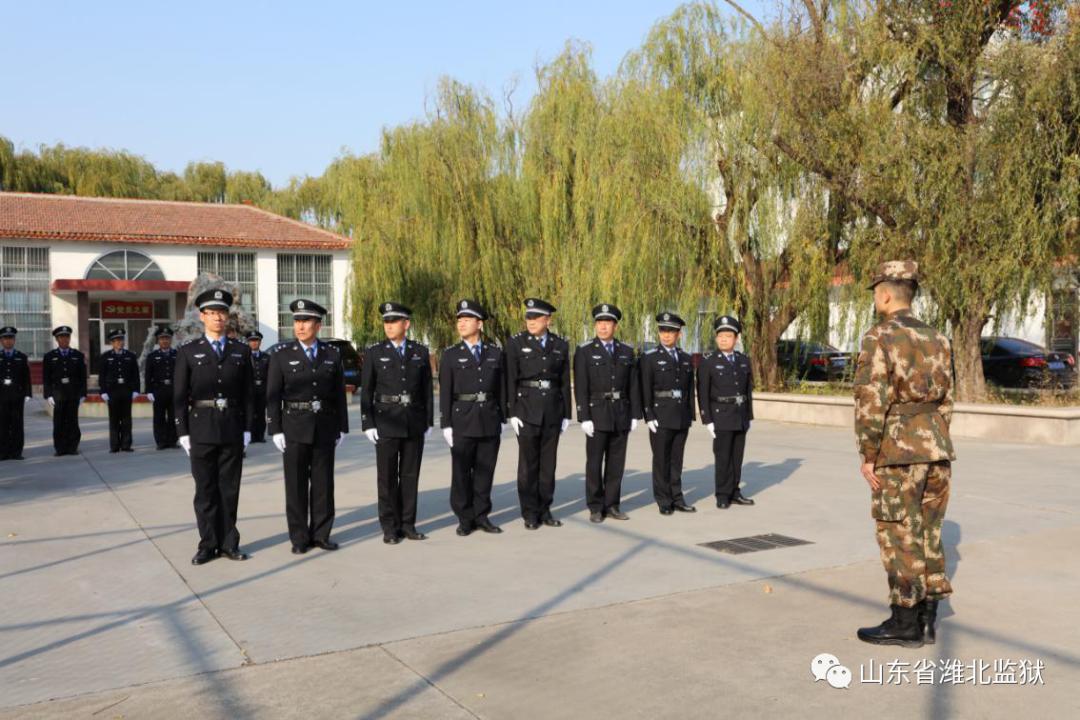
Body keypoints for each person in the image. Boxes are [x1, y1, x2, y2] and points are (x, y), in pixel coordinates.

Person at [854, 261, 955, 648]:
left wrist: (868, 453)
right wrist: (935, 437)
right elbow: (948, 402)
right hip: (937, 448)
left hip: (897, 451)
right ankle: (929, 620)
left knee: (899, 533)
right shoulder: (939, 338)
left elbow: (870, 400)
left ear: (884, 293)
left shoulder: (879, 336)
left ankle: (904, 622)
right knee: (929, 531)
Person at [174, 288, 254, 565]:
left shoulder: (241, 351)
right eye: (212, 313)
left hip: (231, 427)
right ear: (202, 316)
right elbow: (179, 397)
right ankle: (208, 544)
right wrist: (182, 432)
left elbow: (248, 395)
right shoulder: (188, 352)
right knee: (206, 490)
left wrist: (248, 430)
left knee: (229, 489)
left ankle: (230, 542)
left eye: (222, 313)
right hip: (201, 429)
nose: (218, 318)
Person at [267, 299, 349, 554]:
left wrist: (342, 427)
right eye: (297, 321)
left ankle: (322, 534)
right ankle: (300, 538)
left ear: (318, 325)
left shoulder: (331, 354)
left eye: (306, 321)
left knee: (324, 484)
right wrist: (275, 429)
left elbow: (338, 394)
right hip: (294, 426)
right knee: (296, 485)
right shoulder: (281, 355)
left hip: (324, 426)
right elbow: (273, 395)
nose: (300, 327)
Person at [360, 302, 433, 544]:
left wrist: (429, 421)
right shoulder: (374, 352)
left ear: (406, 324)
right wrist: (368, 423)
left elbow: (426, 390)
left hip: (413, 420)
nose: (389, 326)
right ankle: (390, 527)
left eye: (394, 322)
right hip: (385, 420)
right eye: (386, 322)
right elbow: (366, 391)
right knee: (387, 477)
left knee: (410, 475)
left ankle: (408, 524)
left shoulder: (419, 352)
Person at [439, 299, 506, 537]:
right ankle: (464, 518)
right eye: (459, 320)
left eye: (467, 320)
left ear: (480, 324)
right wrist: (445, 423)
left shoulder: (495, 353)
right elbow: (445, 391)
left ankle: (482, 515)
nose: (461, 324)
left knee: (485, 471)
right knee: (461, 473)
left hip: (489, 418)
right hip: (462, 420)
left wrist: (504, 417)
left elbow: (502, 388)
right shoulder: (450, 355)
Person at [504, 298, 572, 530]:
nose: (530, 321)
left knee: (548, 465)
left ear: (548, 320)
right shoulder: (515, 343)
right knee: (528, 465)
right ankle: (530, 512)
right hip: (526, 410)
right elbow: (511, 379)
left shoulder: (560, 345)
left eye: (536, 317)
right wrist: (512, 411)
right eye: (528, 317)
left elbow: (564, 381)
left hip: (552, 409)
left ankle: (545, 509)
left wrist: (566, 414)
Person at [573, 303, 642, 523]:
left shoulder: (626, 351)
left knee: (616, 463)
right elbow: (581, 386)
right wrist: (583, 416)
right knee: (594, 463)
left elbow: (633, 385)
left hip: (620, 413)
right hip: (597, 413)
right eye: (599, 323)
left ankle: (612, 504)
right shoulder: (584, 351)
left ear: (615, 325)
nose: (603, 327)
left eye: (607, 323)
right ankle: (595, 506)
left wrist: (634, 414)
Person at [640, 312, 696, 515]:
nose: (666, 335)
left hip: (681, 415)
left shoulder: (686, 358)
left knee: (676, 459)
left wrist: (691, 414)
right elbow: (645, 388)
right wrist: (649, 415)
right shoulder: (649, 358)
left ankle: (677, 497)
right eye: (663, 330)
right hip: (660, 415)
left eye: (670, 331)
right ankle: (663, 500)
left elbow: (690, 389)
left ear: (678, 334)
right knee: (661, 459)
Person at [697, 315, 755, 509]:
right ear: (716, 338)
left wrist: (749, 415)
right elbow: (702, 392)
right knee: (723, 458)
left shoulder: (743, 360)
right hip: (720, 415)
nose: (724, 339)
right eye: (720, 335)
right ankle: (722, 494)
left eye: (728, 336)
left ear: (736, 338)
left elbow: (748, 390)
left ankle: (734, 491)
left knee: (737, 457)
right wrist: (707, 419)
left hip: (740, 415)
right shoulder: (708, 361)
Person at [42, 326, 87, 456]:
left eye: (67, 336)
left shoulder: (77, 355)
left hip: (73, 394)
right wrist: (48, 394)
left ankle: (73, 447)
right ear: (57, 339)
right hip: (58, 395)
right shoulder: (50, 356)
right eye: (61, 337)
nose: (64, 339)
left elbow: (82, 377)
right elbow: (46, 378)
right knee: (59, 422)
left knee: (73, 422)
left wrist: (83, 393)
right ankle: (60, 448)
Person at [100, 329, 139, 453]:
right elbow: (102, 375)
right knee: (114, 419)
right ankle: (115, 445)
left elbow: (135, 375)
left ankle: (126, 444)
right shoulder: (106, 357)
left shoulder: (130, 356)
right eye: (117, 340)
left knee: (127, 419)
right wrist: (103, 392)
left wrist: (136, 390)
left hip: (126, 391)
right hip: (112, 392)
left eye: (121, 340)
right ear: (111, 342)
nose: (120, 343)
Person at [144, 326, 179, 450]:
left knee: (173, 417)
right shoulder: (152, 356)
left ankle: (173, 440)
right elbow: (148, 375)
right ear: (158, 341)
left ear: (171, 340)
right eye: (162, 339)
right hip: (158, 390)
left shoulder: (177, 354)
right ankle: (161, 442)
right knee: (159, 417)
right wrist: (148, 391)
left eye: (167, 339)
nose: (164, 341)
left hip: (174, 390)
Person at [0, 326, 31, 460]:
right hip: (1, 397)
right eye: (5, 339)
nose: (8, 341)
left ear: (14, 340)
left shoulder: (21, 357)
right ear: (1, 341)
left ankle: (16, 452)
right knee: (2, 424)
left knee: (17, 424)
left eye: (11, 338)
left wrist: (28, 394)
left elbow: (26, 377)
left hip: (17, 396)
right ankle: (3, 452)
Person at [247, 331, 270, 443]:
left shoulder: (266, 357)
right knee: (250, 413)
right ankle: (250, 435)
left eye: (256, 340)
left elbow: (270, 374)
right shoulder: (245, 356)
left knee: (261, 413)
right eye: (252, 341)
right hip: (249, 390)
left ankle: (260, 435)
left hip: (262, 389)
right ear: (248, 342)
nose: (254, 343)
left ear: (260, 342)